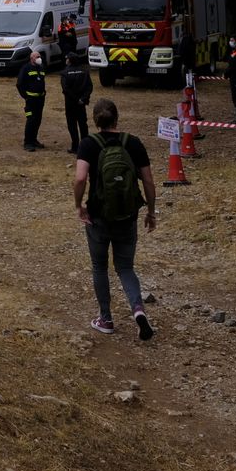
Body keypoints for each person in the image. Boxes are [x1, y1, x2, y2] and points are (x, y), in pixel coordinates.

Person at [74, 98, 156, 339]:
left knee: (100, 267)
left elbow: (80, 178)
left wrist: (79, 206)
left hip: (98, 216)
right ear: (117, 119)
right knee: (126, 267)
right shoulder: (133, 143)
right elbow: (148, 181)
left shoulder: (88, 144)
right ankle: (138, 309)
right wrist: (151, 212)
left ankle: (106, 319)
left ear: (95, 120)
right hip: (127, 216)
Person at [59, 51, 93, 153]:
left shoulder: (65, 73)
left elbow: (66, 89)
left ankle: (75, 147)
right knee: (83, 124)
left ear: (70, 61)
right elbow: (89, 87)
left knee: (72, 125)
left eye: (67, 58)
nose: (66, 60)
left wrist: (75, 99)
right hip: (81, 104)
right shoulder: (84, 72)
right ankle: (85, 146)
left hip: (70, 104)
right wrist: (82, 99)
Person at [16, 49, 47, 151]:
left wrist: (43, 93)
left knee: (38, 120)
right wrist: (26, 96)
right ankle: (28, 143)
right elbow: (19, 84)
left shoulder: (41, 68)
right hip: (31, 100)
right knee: (31, 120)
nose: (39, 58)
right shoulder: (26, 68)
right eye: (37, 57)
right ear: (32, 58)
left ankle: (34, 140)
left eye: (40, 57)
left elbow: (41, 81)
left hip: (40, 99)